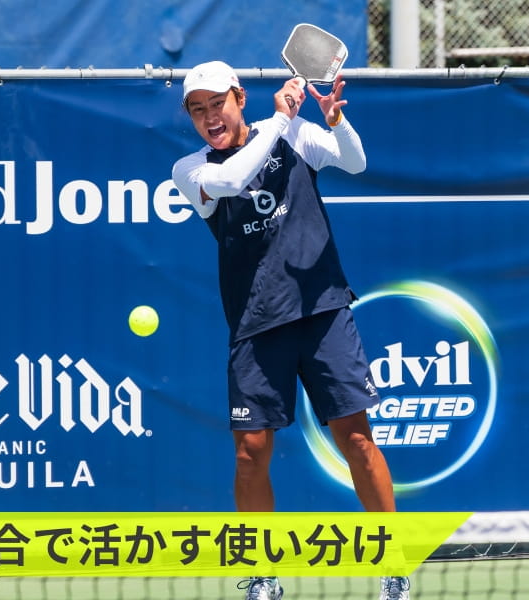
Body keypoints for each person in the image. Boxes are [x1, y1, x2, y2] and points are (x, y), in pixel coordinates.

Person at [171, 61, 409, 600]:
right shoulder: (190, 168)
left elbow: (355, 160)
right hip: (256, 326)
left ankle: (392, 564)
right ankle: (262, 573)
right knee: (249, 451)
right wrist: (280, 121)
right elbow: (233, 181)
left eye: (218, 103)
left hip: (323, 311)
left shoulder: (297, 133)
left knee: (356, 440)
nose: (210, 116)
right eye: (197, 109)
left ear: (238, 97)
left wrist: (334, 121)